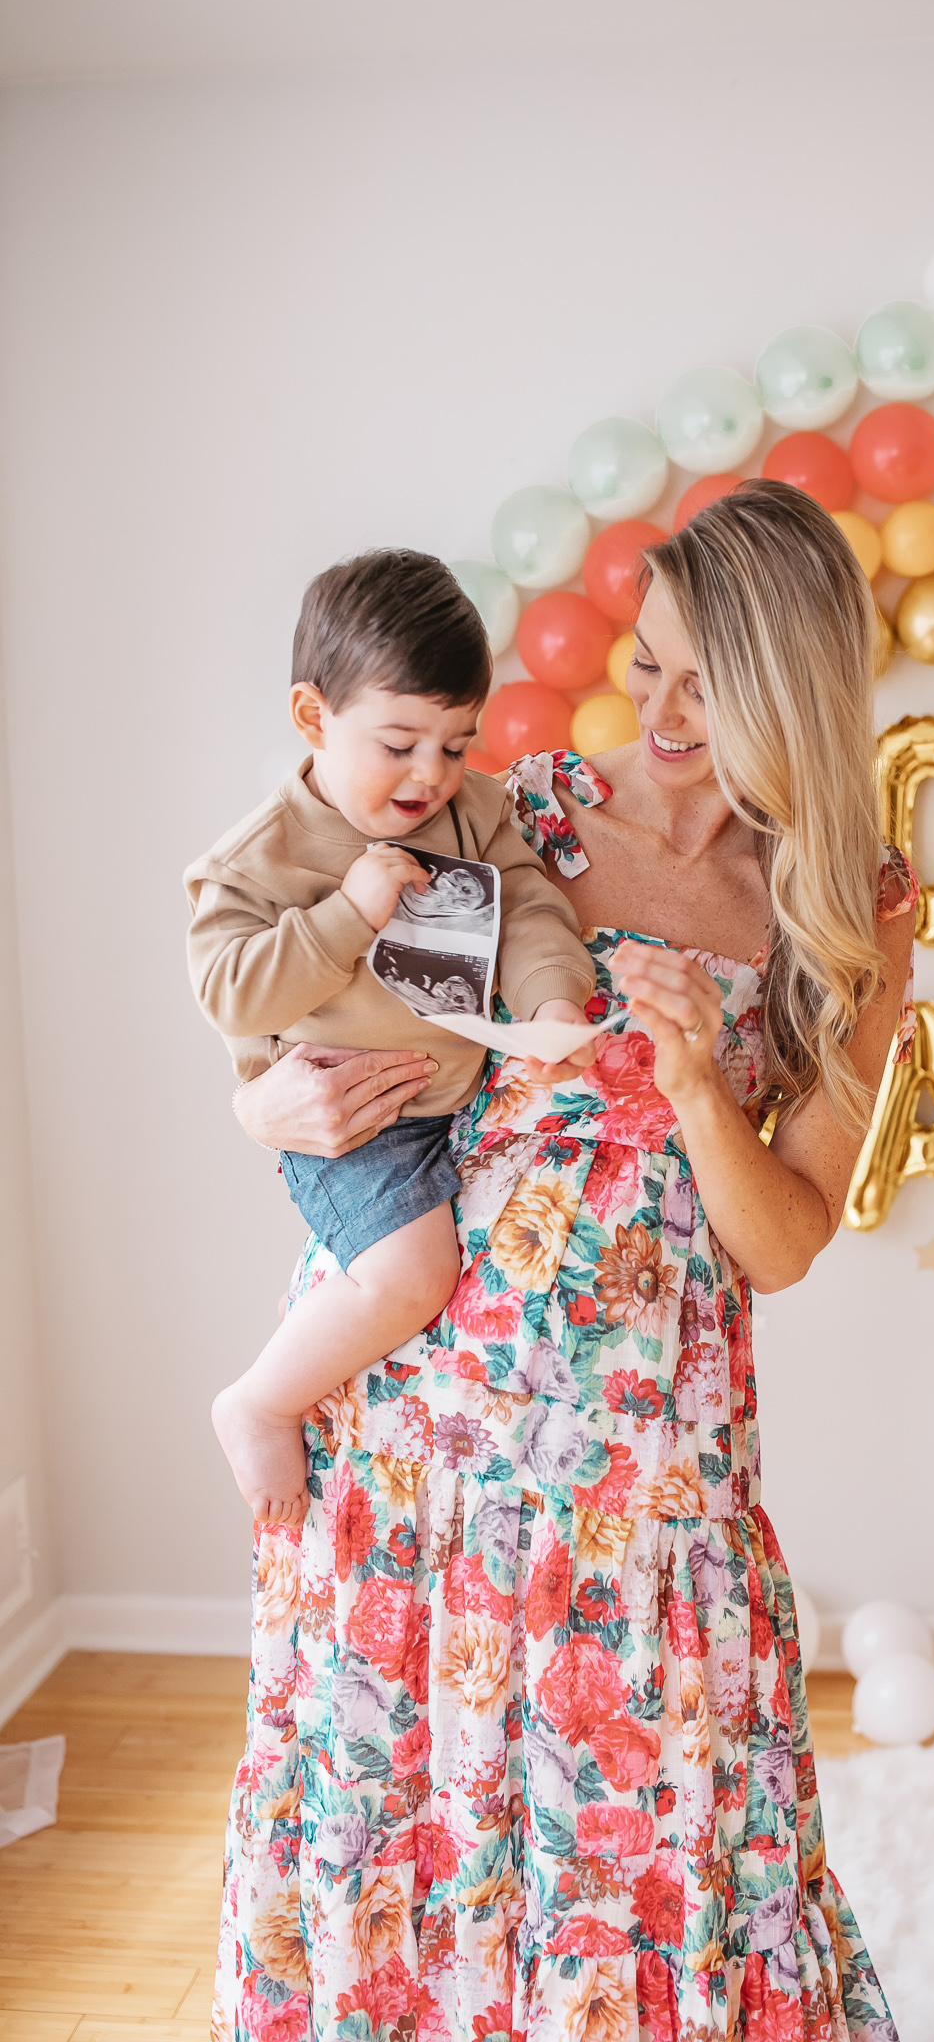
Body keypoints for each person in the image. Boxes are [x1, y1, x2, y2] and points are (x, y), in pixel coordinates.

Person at [215, 483, 916, 2041]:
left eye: (702, 686)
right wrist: (262, 1096)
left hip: (644, 1476)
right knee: (402, 1829)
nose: (655, 712)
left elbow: (789, 1238)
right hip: (415, 1438)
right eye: (645, 664)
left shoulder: (845, 914)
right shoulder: (500, 813)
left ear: (791, 696)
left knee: (665, 1857)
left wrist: (687, 1083)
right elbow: (286, 999)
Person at [185, 551, 597, 1526]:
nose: (431, 775)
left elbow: (534, 911)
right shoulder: (259, 858)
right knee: (414, 1276)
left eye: (456, 743)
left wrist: (551, 1002)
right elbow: (230, 993)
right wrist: (346, 916)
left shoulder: (474, 812)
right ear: (313, 717)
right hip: (359, 1121)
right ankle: (258, 1399)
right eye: (401, 742)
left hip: (458, 1106)